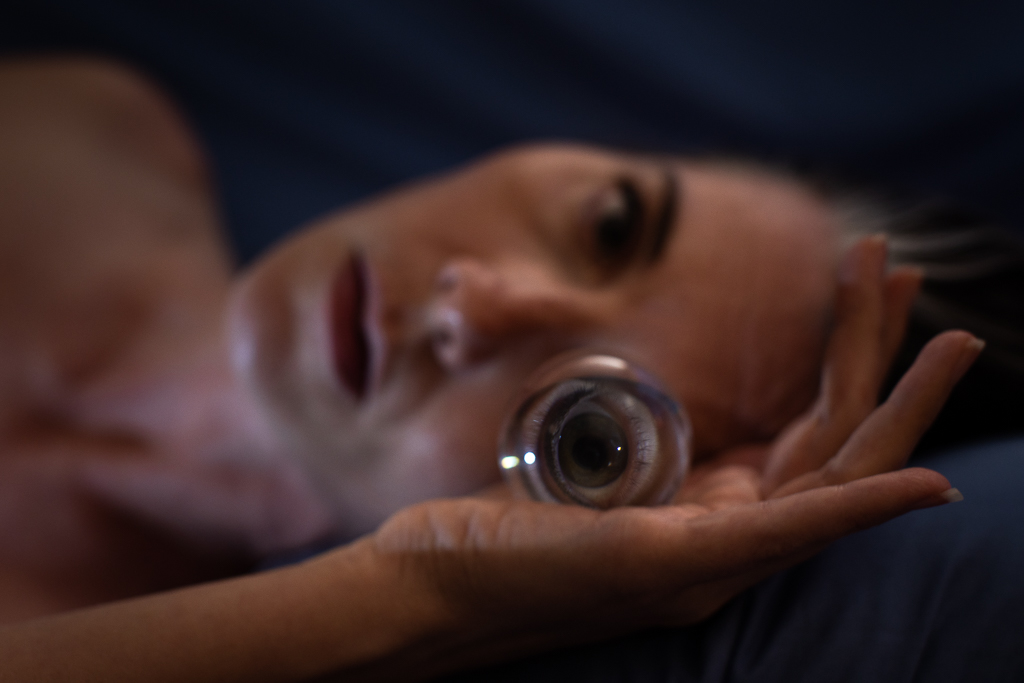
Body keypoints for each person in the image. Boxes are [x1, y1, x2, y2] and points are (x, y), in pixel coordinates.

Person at [0, 57, 1020, 682]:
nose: (479, 306)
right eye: (613, 223)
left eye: (592, 431)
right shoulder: (85, 131)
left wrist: (421, 587)